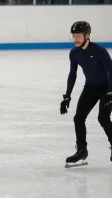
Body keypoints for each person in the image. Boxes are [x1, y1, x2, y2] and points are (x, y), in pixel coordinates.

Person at [61, 21, 112, 168]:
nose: (75, 39)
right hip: (90, 88)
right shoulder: (74, 53)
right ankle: (82, 151)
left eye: (78, 36)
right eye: (73, 36)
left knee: (103, 118)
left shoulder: (99, 51)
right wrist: (67, 95)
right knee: (78, 118)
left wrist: (110, 92)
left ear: (87, 36)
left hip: (106, 88)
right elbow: (72, 75)